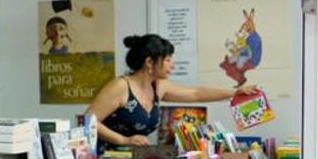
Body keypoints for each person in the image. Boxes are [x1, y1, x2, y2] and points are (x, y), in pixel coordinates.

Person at [86, 34, 259, 148]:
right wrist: (123, 140)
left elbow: (195, 94)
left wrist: (234, 93)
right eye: (168, 60)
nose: (172, 65)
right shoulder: (121, 86)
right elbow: (88, 121)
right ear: (149, 62)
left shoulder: (159, 86)